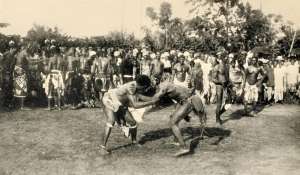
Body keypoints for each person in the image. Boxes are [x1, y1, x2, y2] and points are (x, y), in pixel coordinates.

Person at [99, 75, 158, 153]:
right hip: (110, 99)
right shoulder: (131, 87)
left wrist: (155, 99)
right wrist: (151, 102)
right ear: (142, 85)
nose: (145, 89)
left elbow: (140, 96)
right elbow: (135, 105)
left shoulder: (136, 85)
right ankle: (102, 148)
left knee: (132, 122)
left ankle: (134, 142)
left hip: (120, 103)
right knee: (111, 121)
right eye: (144, 87)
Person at [151, 81, 206, 156]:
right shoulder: (163, 85)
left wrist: (142, 98)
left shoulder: (163, 86)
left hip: (190, 100)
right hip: (185, 100)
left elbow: (155, 98)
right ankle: (176, 140)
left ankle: (184, 147)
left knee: (173, 123)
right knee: (172, 117)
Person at [211, 53, 230, 125]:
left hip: (226, 86)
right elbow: (213, 78)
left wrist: (229, 85)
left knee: (229, 103)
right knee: (219, 103)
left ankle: (218, 114)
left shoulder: (227, 66)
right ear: (222, 58)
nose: (227, 59)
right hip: (219, 86)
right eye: (226, 57)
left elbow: (227, 78)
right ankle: (217, 119)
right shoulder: (217, 67)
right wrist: (220, 82)